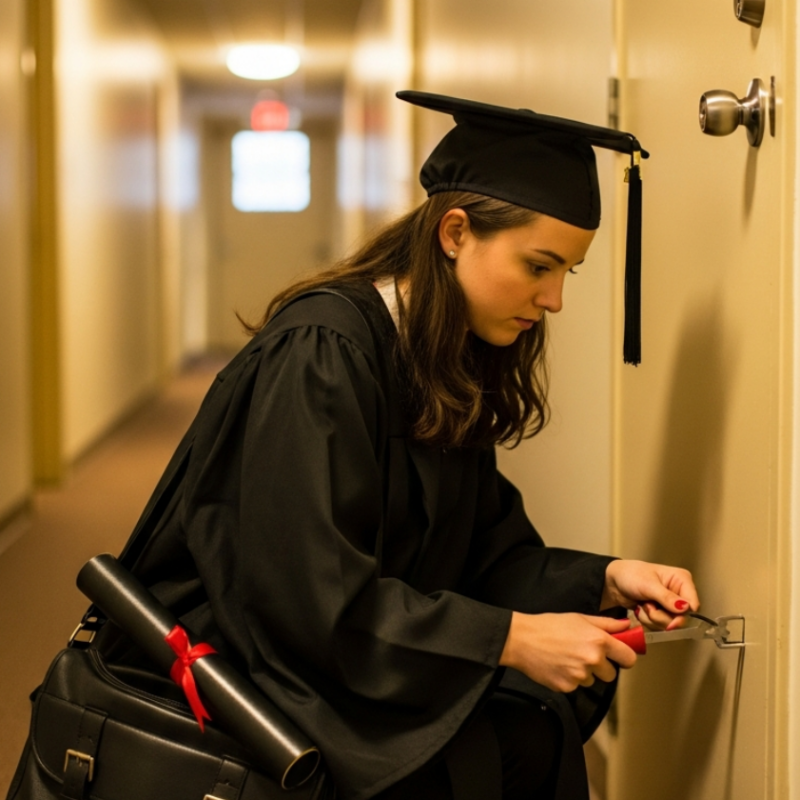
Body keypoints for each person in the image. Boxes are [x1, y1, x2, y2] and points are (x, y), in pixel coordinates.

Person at [97, 92, 699, 800]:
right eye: (539, 266)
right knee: (494, 747)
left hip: (344, 656)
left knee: (532, 725)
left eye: (568, 272)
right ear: (453, 233)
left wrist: (609, 578)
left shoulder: (439, 356)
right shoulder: (323, 353)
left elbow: (483, 554)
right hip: (249, 668)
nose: (555, 300)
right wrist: (512, 640)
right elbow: (305, 601)